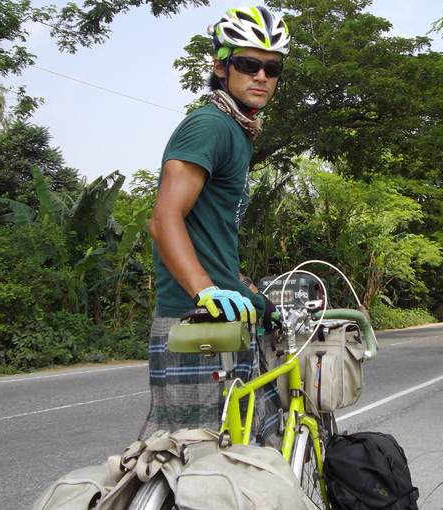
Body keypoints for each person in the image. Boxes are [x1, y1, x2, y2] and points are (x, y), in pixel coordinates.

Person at [139, 6, 290, 446]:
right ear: (221, 65)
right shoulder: (209, 126)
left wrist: (243, 286)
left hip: (230, 315)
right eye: (247, 64)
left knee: (246, 458)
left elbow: (209, 233)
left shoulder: (237, 131)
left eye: (271, 67)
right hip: (199, 322)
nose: (261, 75)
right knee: (196, 461)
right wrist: (206, 292)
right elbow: (164, 218)